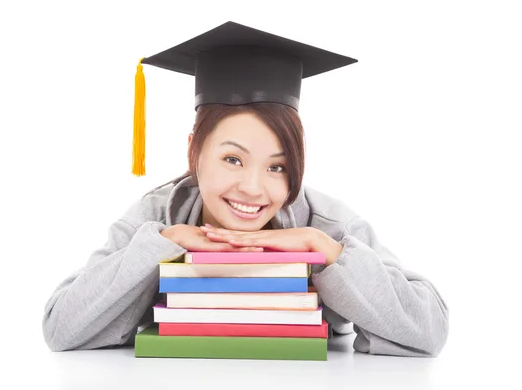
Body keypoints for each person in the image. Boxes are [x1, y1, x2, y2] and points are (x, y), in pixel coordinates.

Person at [42, 21, 449, 357]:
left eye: (278, 166)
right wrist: (163, 244)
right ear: (194, 150)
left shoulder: (329, 223)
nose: (254, 188)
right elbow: (61, 327)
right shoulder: (156, 216)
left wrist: (328, 253)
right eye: (232, 159)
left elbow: (431, 329)